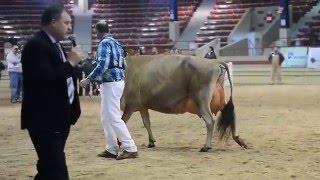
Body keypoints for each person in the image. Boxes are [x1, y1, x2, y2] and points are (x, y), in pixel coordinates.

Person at [21, 4, 82, 180]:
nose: (70, 26)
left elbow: (65, 77)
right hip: (45, 120)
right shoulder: (36, 45)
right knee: (57, 172)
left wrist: (74, 65)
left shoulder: (54, 45)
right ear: (53, 22)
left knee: (48, 168)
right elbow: (46, 79)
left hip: (59, 118)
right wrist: (70, 63)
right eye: (66, 22)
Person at [80, 20, 138, 160]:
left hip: (111, 83)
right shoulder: (117, 43)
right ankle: (111, 148)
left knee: (112, 116)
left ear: (98, 31)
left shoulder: (104, 43)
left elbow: (103, 64)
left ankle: (130, 147)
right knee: (106, 117)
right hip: (116, 81)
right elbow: (124, 64)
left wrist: (89, 78)